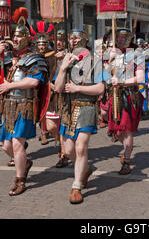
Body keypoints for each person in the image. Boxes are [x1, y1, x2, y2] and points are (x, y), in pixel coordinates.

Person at [0, 8, 48, 196]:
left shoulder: (34, 58)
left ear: (28, 38)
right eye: (13, 36)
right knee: (6, 146)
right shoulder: (6, 58)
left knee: (17, 143)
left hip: (24, 106)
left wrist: (10, 86)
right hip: (8, 107)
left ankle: (20, 180)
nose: (15, 39)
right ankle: (26, 162)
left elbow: (35, 81)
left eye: (19, 36)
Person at [55, 28, 106, 204]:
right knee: (68, 151)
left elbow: (100, 88)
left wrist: (78, 88)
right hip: (69, 109)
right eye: (71, 38)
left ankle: (76, 187)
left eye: (77, 38)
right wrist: (62, 68)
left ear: (84, 40)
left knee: (80, 148)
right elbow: (58, 88)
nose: (73, 41)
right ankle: (84, 169)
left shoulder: (95, 61)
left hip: (87, 108)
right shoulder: (66, 60)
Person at [106, 28, 145, 175]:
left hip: (129, 96)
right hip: (113, 96)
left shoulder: (137, 55)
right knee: (118, 131)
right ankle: (127, 149)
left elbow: (140, 78)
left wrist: (122, 82)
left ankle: (127, 161)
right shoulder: (112, 53)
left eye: (124, 37)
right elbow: (103, 75)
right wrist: (110, 60)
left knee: (127, 130)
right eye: (119, 38)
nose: (121, 40)